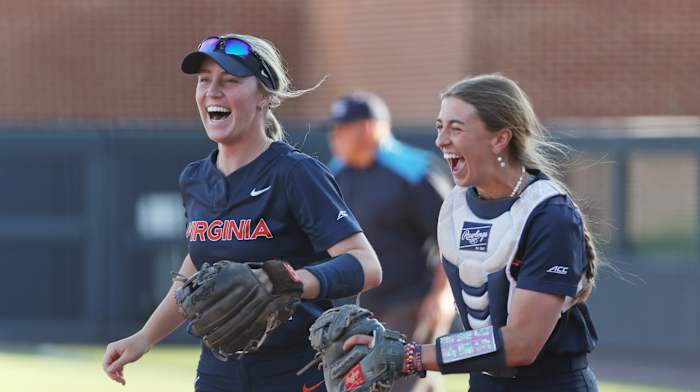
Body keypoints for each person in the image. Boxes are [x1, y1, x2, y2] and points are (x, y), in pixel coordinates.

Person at [101, 33, 382, 392]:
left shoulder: (295, 173)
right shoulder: (196, 178)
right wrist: (145, 337)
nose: (212, 92)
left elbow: (367, 265)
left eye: (230, 81)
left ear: (265, 95)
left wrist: (287, 282)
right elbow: (198, 264)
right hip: (220, 370)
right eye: (205, 81)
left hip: (296, 369)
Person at [344, 73, 600, 391]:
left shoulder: (549, 215)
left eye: (456, 128)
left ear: (499, 139)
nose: (441, 141)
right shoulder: (455, 208)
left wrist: (411, 356)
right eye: (440, 127)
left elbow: (522, 343)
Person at [326, 92, 454, 391]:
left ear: (367, 129)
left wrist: (443, 295)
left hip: (410, 303)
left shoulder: (412, 172)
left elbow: (452, 239)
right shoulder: (336, 173)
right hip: (358, 306)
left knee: (400, 384)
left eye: (341, 129)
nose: (335, 137)